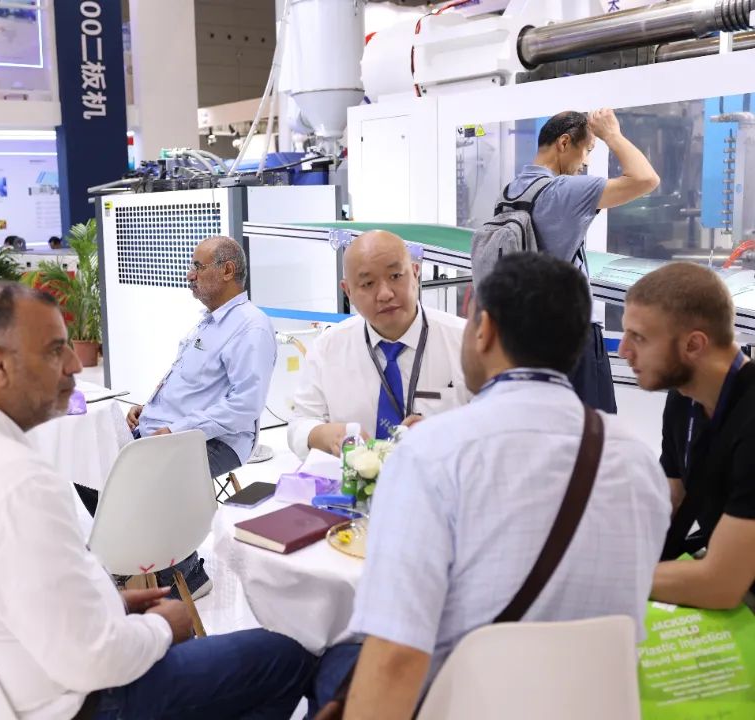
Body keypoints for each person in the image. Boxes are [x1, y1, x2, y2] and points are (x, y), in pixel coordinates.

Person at [0, 282, 315, 720]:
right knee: (285, 657)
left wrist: (110, 605)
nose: (73, 365)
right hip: (76, 703)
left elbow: (6, 598)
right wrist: (164, 626)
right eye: (55, 350)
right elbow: (95, 661)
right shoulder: (16, 480)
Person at [314, 253, 670, 718]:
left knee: (325, 662)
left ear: (484, 330)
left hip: (464, 705)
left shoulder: (432, 454)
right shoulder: (638, 462)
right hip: (597, 705)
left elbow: (396, 659)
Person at [126, 236, 275, 597]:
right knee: (93, 464)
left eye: (197, 266)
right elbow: (189, 382)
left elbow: (245, 406)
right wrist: (150, 408)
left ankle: (187, 575)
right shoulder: (209, 322)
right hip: (168, 431)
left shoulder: (250, 327)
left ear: (227, 270)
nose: (189, 274)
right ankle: (130, 563)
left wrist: (174, 431)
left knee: (139, 476)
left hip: (219, 441)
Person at [503, 109, 659, 414]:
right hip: (573, 337)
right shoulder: (563, 190)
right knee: (594, 429)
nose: (585, 162)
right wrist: (611, 134)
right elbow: (646, 179)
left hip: (525, 336)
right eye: (587, 150)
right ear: (564, 143)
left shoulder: (510, 192)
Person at [619, 262, 755, 610]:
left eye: (639, 337)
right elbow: (672, 501)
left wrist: (603, 578)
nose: (623, 351)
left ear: (694, 344)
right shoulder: (684, 400)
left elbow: (721, 584)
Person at [289, 230, 469, 460]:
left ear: (415, 273)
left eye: (395, 276)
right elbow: (300, 422)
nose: (384, 294)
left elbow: (497, 422)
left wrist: (446, 434)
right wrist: (326, 435)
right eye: (368, 283)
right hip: (354, 479)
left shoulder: (465, 341)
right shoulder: (327, 348)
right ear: (348, 291)